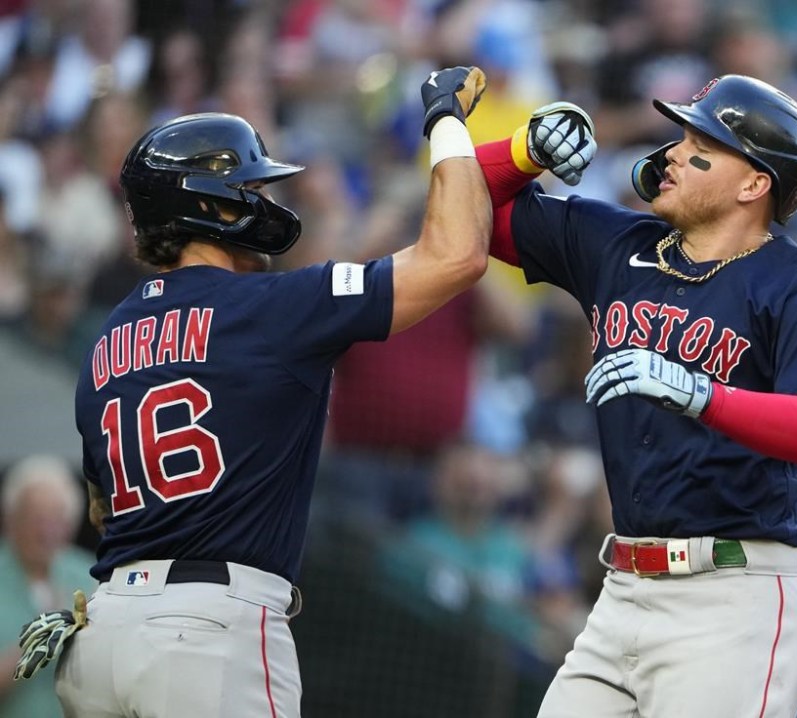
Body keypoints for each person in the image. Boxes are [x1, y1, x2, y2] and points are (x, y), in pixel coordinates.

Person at [13, 65, 491, 718]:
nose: (264, 201)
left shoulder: (108, 336)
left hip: (102, 634)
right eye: (250, 186)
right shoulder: (271, 306)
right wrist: (446, 122)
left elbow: (102, 510)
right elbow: (457, 255)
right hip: (208, 633)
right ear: (209, 203)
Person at [473, 75, 797, 716]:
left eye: (701, 147)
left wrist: (699, 393)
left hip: (732, 597)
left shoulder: (796, 293)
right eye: (680, 137)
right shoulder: (621, 244)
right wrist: (524, 151)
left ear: (753, 185)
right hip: (623, 590)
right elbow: (466, 208)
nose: (670, 155)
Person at [0, 455, 95, 718]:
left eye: (57, 519)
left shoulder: (91, 575)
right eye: (36, 519)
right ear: (10, 519)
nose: (47, 532)